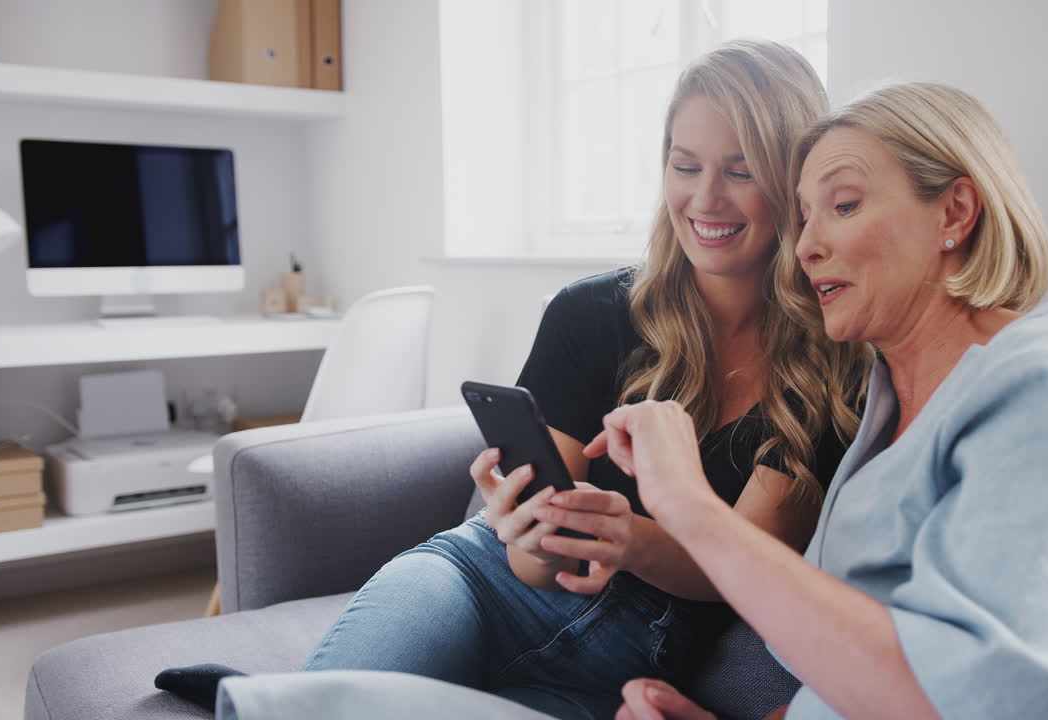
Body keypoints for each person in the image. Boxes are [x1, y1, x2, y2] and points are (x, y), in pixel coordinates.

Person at [156, 39, 870, 720]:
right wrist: (525, 526)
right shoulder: (592, 314)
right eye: (685, 165)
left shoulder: (828, 365)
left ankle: (277, 699)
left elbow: (745, 574)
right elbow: (530, 566)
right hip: (473, 582)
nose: (705, 199)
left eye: (740, 172)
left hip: (623, 667)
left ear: (791, 184)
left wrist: (633, 541)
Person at [564, 82, 1048, 720]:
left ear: (955, 214)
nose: (806, 246)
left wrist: (689, 505)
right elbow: (866, 675)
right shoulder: (890, 403)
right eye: (803, 216)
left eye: (843, 205)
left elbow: (990, 699)